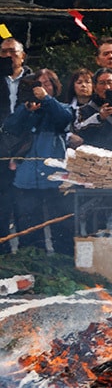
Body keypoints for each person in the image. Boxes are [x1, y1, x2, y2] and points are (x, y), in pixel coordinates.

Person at [5, 70, 74, 256]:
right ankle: (32, 261)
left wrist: (46, 99)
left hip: (55, 177)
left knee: (61, 225)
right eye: (38, 84)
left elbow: (65, 119)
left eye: (47, 83)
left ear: (55, 86)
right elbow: (10, 127)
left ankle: (64, 261)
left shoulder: (62, 107)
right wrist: (26, 110)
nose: (42, 88)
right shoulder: (25, 109)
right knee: (28, 226)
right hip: (26, 178)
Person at [0, 38, 32, 253]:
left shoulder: (34, 80)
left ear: (23, 55)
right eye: (4, 52)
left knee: (25, 202)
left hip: (27, 147)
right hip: (1, 149)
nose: (9, 56)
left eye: (13, 51)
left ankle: (28, 252)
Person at [64, 69, 93, 149]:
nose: (83, 85)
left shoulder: (100, 108)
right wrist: (69, 136)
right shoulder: (67, 108)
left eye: (87, 82)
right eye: (79, 82)